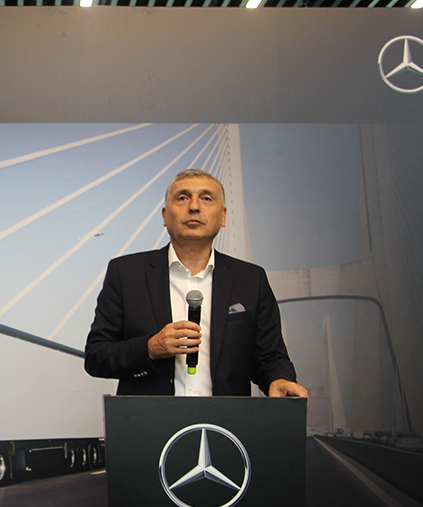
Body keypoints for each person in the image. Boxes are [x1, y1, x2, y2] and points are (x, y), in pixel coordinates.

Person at [84, 168, 307, 398]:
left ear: (223, 216)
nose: (194, 207)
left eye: (206, 198)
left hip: (226, 418)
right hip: (150, 418)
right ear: (164, 216)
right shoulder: (126, 274)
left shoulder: (251, 279)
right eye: (182, 198)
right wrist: (150, 348)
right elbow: (96, 356)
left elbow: (270, 356)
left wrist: (279, 380)